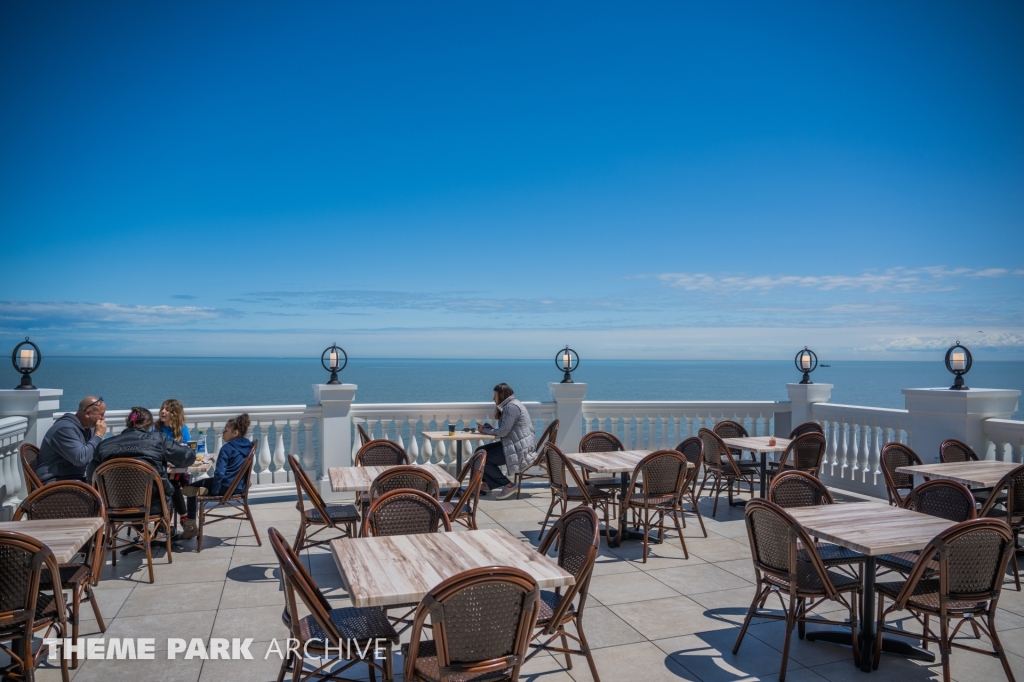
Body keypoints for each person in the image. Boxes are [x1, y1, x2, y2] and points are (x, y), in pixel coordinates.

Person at [92, 407, 195, 531]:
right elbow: (187, 457)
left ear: (128, 423)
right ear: (149, 425)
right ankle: (160, 532)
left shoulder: (104, 446)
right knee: (169, 489)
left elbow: (91, 476)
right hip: (154, 506)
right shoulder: (158, 440)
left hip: (114, 507)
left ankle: (141, 532)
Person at [181, 414, 253, 538]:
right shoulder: (248, 446)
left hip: (224, 487)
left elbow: (219, 473)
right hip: (239, 487)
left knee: (190, 490)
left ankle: (191, 528)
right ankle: (202, 492)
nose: (223, 433)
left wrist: (215, 491)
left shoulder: (227, 448)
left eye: (226, 430)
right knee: (196, 487)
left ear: (235, 432)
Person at [475, 383, 536, 500]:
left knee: (484, 459)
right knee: (480, 451)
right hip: (515, 443)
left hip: (519, 448)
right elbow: (506, 430)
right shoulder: (510, 405)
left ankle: (509, 485)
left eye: (495, 396)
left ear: (502, 395)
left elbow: (503, 432)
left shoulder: (511, 408)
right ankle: (487, 483)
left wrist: (486, 430)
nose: (493, 399)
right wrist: (489, 429)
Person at [35, 396, 108, 483]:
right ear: (88, 413)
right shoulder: (64, 429)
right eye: (101, 415)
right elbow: (80, 459)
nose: (103, 419)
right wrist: (98, 436)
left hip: (75, 478)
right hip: (54, 482)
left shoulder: (89, 429)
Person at [155, 399, 194, 536]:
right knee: (170, 483)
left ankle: (163, 527)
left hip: (177, 472)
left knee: (172, 482)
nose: (163, 412)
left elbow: (188, 448)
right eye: (162, 409)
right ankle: (184, 519)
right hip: (158, 471)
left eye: (167, 410)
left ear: (175, 414)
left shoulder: (181, 429)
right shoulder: (156, 428)